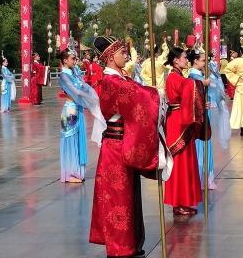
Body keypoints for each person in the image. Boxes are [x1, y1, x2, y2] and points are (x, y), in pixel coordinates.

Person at [90, 35, 172, 258]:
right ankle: (120, 249)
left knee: (129, 197)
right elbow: (141, 98)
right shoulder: (111, 82)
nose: (125, 54)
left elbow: (139, 93)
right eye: (121, 52)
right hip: (115, 148)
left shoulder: (121, 79)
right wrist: (156, 93)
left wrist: (152, 92)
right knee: (119, 199)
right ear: (109, 57)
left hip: (121, 145)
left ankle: (131, 244)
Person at [164, 47, 209, 215]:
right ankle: (178, 202)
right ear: (175, 60)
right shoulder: (174, 77)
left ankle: (183, 201)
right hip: (177, 121)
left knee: (186, 160)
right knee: (180, 161)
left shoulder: (177, 76)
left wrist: (200, 105)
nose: (186, 60)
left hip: (181, 118)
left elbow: (188, 94)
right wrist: (201, 83)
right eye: (183, 57)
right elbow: (189, 87)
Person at [59, 49, 105, 183]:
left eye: (75, 58)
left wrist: (95, 96)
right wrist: (92, 100)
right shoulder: (64, 76)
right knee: (70, 139)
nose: (75, 61)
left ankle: (76, 170)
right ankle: (69, 173)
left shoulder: (73, 74)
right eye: (72, 58)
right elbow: (77, 93)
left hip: (76, 109)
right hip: (70, 110)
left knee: (77, 139)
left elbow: (85, 87)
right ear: (65, 60)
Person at [188, 50, 215, 190]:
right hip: (199, 115)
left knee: (206, 143)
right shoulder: (194, 76)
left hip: (205, 112)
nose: (205, 63)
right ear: (195, 61)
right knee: (200, 144)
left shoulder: (200, 76)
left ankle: (206, 177)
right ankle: (199, 177)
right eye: (203, 60)